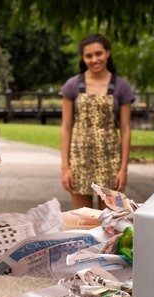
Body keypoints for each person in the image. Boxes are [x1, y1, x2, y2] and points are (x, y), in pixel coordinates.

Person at [60, 34, 135, 209]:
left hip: (110, 162)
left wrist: (123, 169)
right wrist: (65, 167)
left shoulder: (121, 86)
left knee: (108, 222)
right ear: (83, 58)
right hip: (79, 161)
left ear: (108, 53)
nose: (94, 59)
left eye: (99, 53)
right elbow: (65, 127)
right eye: (89, 56)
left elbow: (125, 129)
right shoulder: (72, 85)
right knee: (83, 221)